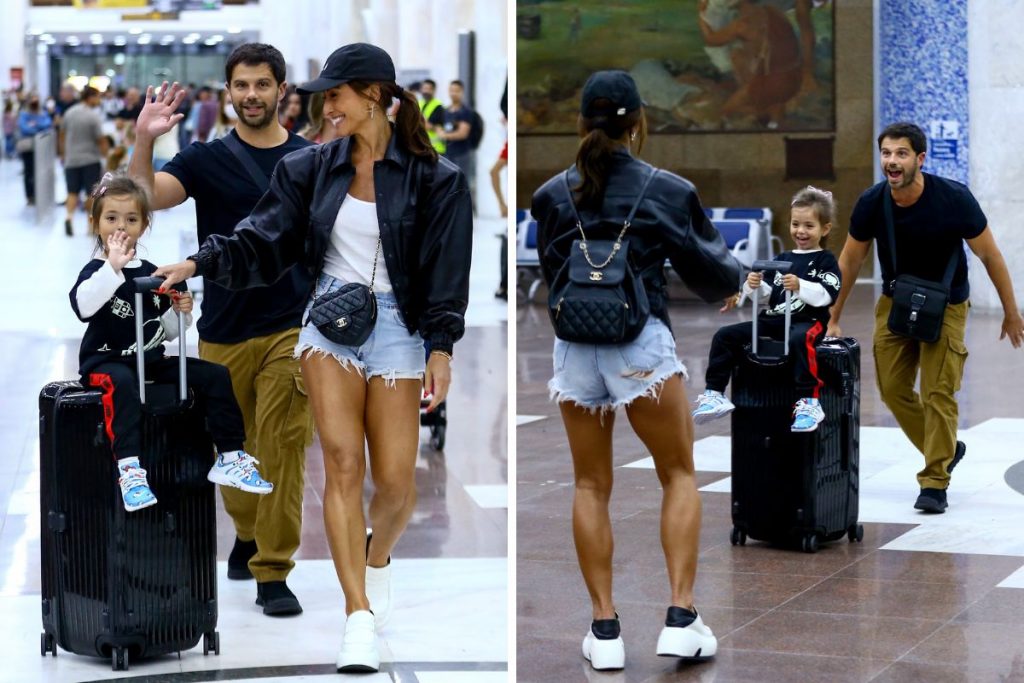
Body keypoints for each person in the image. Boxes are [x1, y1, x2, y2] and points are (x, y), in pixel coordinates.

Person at [153, 42, 472, 674]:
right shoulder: (311, 168)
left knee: (399, 484)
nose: (325, 105)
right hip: (329, 325)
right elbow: (262, 236)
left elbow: (447, 273)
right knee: (342, 464)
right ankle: (357, 619)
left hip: (403, 331)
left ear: (374, 95)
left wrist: (441, 347)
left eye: (337, 94)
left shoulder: (437, 178)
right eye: (324, 95)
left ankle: (376, 560)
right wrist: (199, 262)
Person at [531, 70, 740, 671]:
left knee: (589, 485)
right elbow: (713, 272)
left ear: (580, 124)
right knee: (676, 473)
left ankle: (604, 630)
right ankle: (680, 617)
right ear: (638, 122)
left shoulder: (550, 195)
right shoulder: (666, 188)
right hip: (641, 344)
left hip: (573, 347)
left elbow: (552, 269)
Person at [128, 43, 313, 617]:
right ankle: (248, 531)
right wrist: (143, 140)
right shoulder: (206, 160)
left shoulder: (310, 160)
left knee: (281, 446)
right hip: (226, 327)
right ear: (228, 92)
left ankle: (273, 569)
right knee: (233, 451)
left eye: (263, 84)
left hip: (293, 324)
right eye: (242, 85)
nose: (252, 95)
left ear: (282, 91)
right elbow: (143, 200)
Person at [829, 122, 1024, 513]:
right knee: (892, 389)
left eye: (901, 153)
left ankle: (935, 480)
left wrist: (1010, 312)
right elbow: (851, 259)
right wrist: (832, 317)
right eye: (886, 153)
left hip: (947, 305)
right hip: (895, 302)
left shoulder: (953, 198)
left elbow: (990, 255)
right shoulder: (872, 202)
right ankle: (948, 447)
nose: (891, 161)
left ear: (920, 158)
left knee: (938, 392)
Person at [69, 173, 274, 512]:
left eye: (131, 219)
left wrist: (181, 312)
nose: (121, 227)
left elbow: (162, 330)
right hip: (106, 362)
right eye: (111, 218)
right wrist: (112, 269)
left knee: (215, 376)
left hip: (149, 359)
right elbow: (83, 306)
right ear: (96, 224)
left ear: (144, 225)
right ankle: (130, 470)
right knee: (122, 383)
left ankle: (230, 454)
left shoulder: (153, 271)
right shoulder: (96, 270)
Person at [692, 185, 841, 432]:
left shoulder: (826, 260)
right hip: (774, 319)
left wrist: (801, 285)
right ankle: (714, 393)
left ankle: (809, 401)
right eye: (795, 224)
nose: (800, 231)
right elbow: (766, 297)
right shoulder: (782, 257)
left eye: (808, 226)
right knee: (725, 336)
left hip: (806, 320)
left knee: (799, 339)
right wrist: (754, 286)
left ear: (824, 229)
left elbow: (827, 295)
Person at [61, 86, 108, 237]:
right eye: (97, 97)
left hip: (71, 160)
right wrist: (106, 155)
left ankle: (69, 217)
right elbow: (100, 139)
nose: (99, 100)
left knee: (72, 192)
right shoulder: (93, 116)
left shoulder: (69, 113)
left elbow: (61, 134)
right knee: (91, 194)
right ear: (90, 97)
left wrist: (63, 153)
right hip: (90, 160)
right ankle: (91, 226)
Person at [16, 94, 52, 205]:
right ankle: (30, 196)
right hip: (29, 148)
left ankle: (40, 194)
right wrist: (39, 129)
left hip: (42, 148)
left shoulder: (43, 113)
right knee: (29, 172)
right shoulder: (24, 114)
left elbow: (47, 124)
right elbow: (24, 128)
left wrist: (35, 125)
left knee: (41, 171)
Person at [439, 80, 474, 182]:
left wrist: (444, 135)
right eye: (451, 90)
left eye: (456, 91)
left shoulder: (465, 111)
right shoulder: (446, 110)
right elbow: (442, 127)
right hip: (447, 153)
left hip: (461, 154)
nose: (453, 93)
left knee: (461, 182)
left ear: (462, 92)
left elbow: (463, 133)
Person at [418, 78, 446, 154]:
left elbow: (428, 126)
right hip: (422, 147)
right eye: (424, 88)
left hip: (436, 149)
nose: (425, 91)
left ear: (434, 90)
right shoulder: (419, 103)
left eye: (428, 89)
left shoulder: (438, 107)